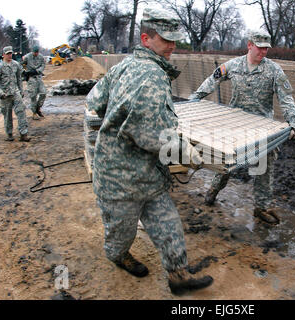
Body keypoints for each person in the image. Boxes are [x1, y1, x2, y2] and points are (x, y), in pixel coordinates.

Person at [86, 7, 213, 295]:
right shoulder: (149, 75)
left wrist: (110, 121)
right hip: (121, 182)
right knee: (121, 234)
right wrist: (185, 151)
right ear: (146, 39)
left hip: (149, 177)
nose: (172, 46)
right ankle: (119, 256)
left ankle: (179, 275)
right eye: (166, 40)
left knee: (168, 225)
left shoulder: (125, 66)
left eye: (174, 39)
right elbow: (148, 133)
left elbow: (95, 100)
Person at [188, 30, 295, 225]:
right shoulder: (233, 66)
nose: (264, 52)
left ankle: (262, 206)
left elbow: (286, 97)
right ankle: (214, 190)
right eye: (260, 47)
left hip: (261, 127)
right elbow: (212, 80)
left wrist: (294, 122)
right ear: (249, 45)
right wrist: (195, 98)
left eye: (266, 48)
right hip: (235, 124)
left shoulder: (274, 70)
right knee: (227, 162)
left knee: (264, 166)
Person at [0, 46, 30, 142]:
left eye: (11, 53)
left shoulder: (16, 64)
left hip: (15, 93)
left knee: (21, 111)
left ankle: (23, 134)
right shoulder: (0, 67)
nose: (10, 55)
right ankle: (9, 134)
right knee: (7, 115)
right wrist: (0, 92)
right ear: (3, 55)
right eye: (8, 53)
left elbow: (19, 79)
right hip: (5, 95)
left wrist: (21, 90)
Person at [23, 46, 47, 120]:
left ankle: (38, 108)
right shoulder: (27, 57)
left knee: (43, 93)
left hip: (38, 77)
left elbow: (43, 65)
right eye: (34, 52)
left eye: (37, 52)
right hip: (31, 78)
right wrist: (25, 73)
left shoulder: (41, 57)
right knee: (33, 96)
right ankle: (34, 113)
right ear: (32, 51)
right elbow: (22, 65)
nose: (36, 54)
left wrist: (38, 71)